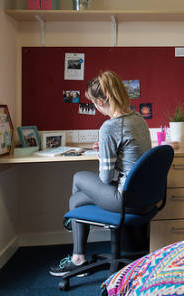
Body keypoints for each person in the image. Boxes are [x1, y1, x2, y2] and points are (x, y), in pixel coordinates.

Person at [49, 71, 152, 276]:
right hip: (145, 199)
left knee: (78, 178)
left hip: (125, 200)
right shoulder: (138, 118)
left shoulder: (110, 127)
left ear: (100, 101)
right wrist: (106, 150)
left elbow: (105, 178)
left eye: (94, 103)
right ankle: (77, 247)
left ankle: (77, 248)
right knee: (77, 199)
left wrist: (102, 156)